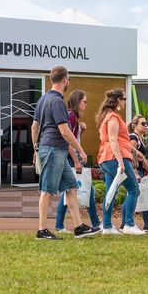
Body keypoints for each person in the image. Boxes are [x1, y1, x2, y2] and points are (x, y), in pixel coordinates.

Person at [32, 66, 99, 240]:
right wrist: (81, 151)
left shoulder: (43, 100)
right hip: (54, 149)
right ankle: (42, 231)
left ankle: (79, 227)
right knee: (47, 190)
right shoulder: (57, 102)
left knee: (71, 187)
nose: (69, 82)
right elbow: (65, 131)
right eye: (69, 79)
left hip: (54, 150)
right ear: (64, 80)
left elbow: (34, 127)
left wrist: (36, 148)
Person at [96, 88, 144, 236]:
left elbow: (119, 139)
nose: (125, 102)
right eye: (124, 99)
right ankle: (129, 224)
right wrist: (120, 162)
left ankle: (107, 226)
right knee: (134, 189)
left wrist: (134, 150)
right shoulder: (113, 118)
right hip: (116, 157)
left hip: (106, 158)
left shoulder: (107, 116)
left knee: (110, 192)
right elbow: (113, 140)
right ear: (118, 100)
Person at [54, 90, 101, 233]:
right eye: (84, 102)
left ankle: (60, 225)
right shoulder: (70, 116)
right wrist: (76, 160)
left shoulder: (72, 117)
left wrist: (81, 130)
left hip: (70, 157)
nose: (86, 104)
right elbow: (67, 141)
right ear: (77, 102)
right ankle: (95, 223)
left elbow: (73, 139)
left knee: (70, 191)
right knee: (78, 189)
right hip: (70, 157)